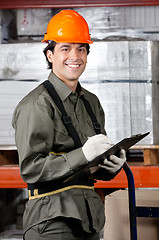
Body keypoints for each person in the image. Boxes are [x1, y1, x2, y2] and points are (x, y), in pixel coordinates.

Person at [12, 9, 126, 240]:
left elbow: (89, 167)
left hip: (88, 219)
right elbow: (31, 169)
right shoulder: (37, 105)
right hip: (52, 221)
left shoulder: (91, 102)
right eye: (65, 48)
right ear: (50, 55)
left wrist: (109, 167)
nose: (75, 56)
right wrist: (83, 154)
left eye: (81, 48)